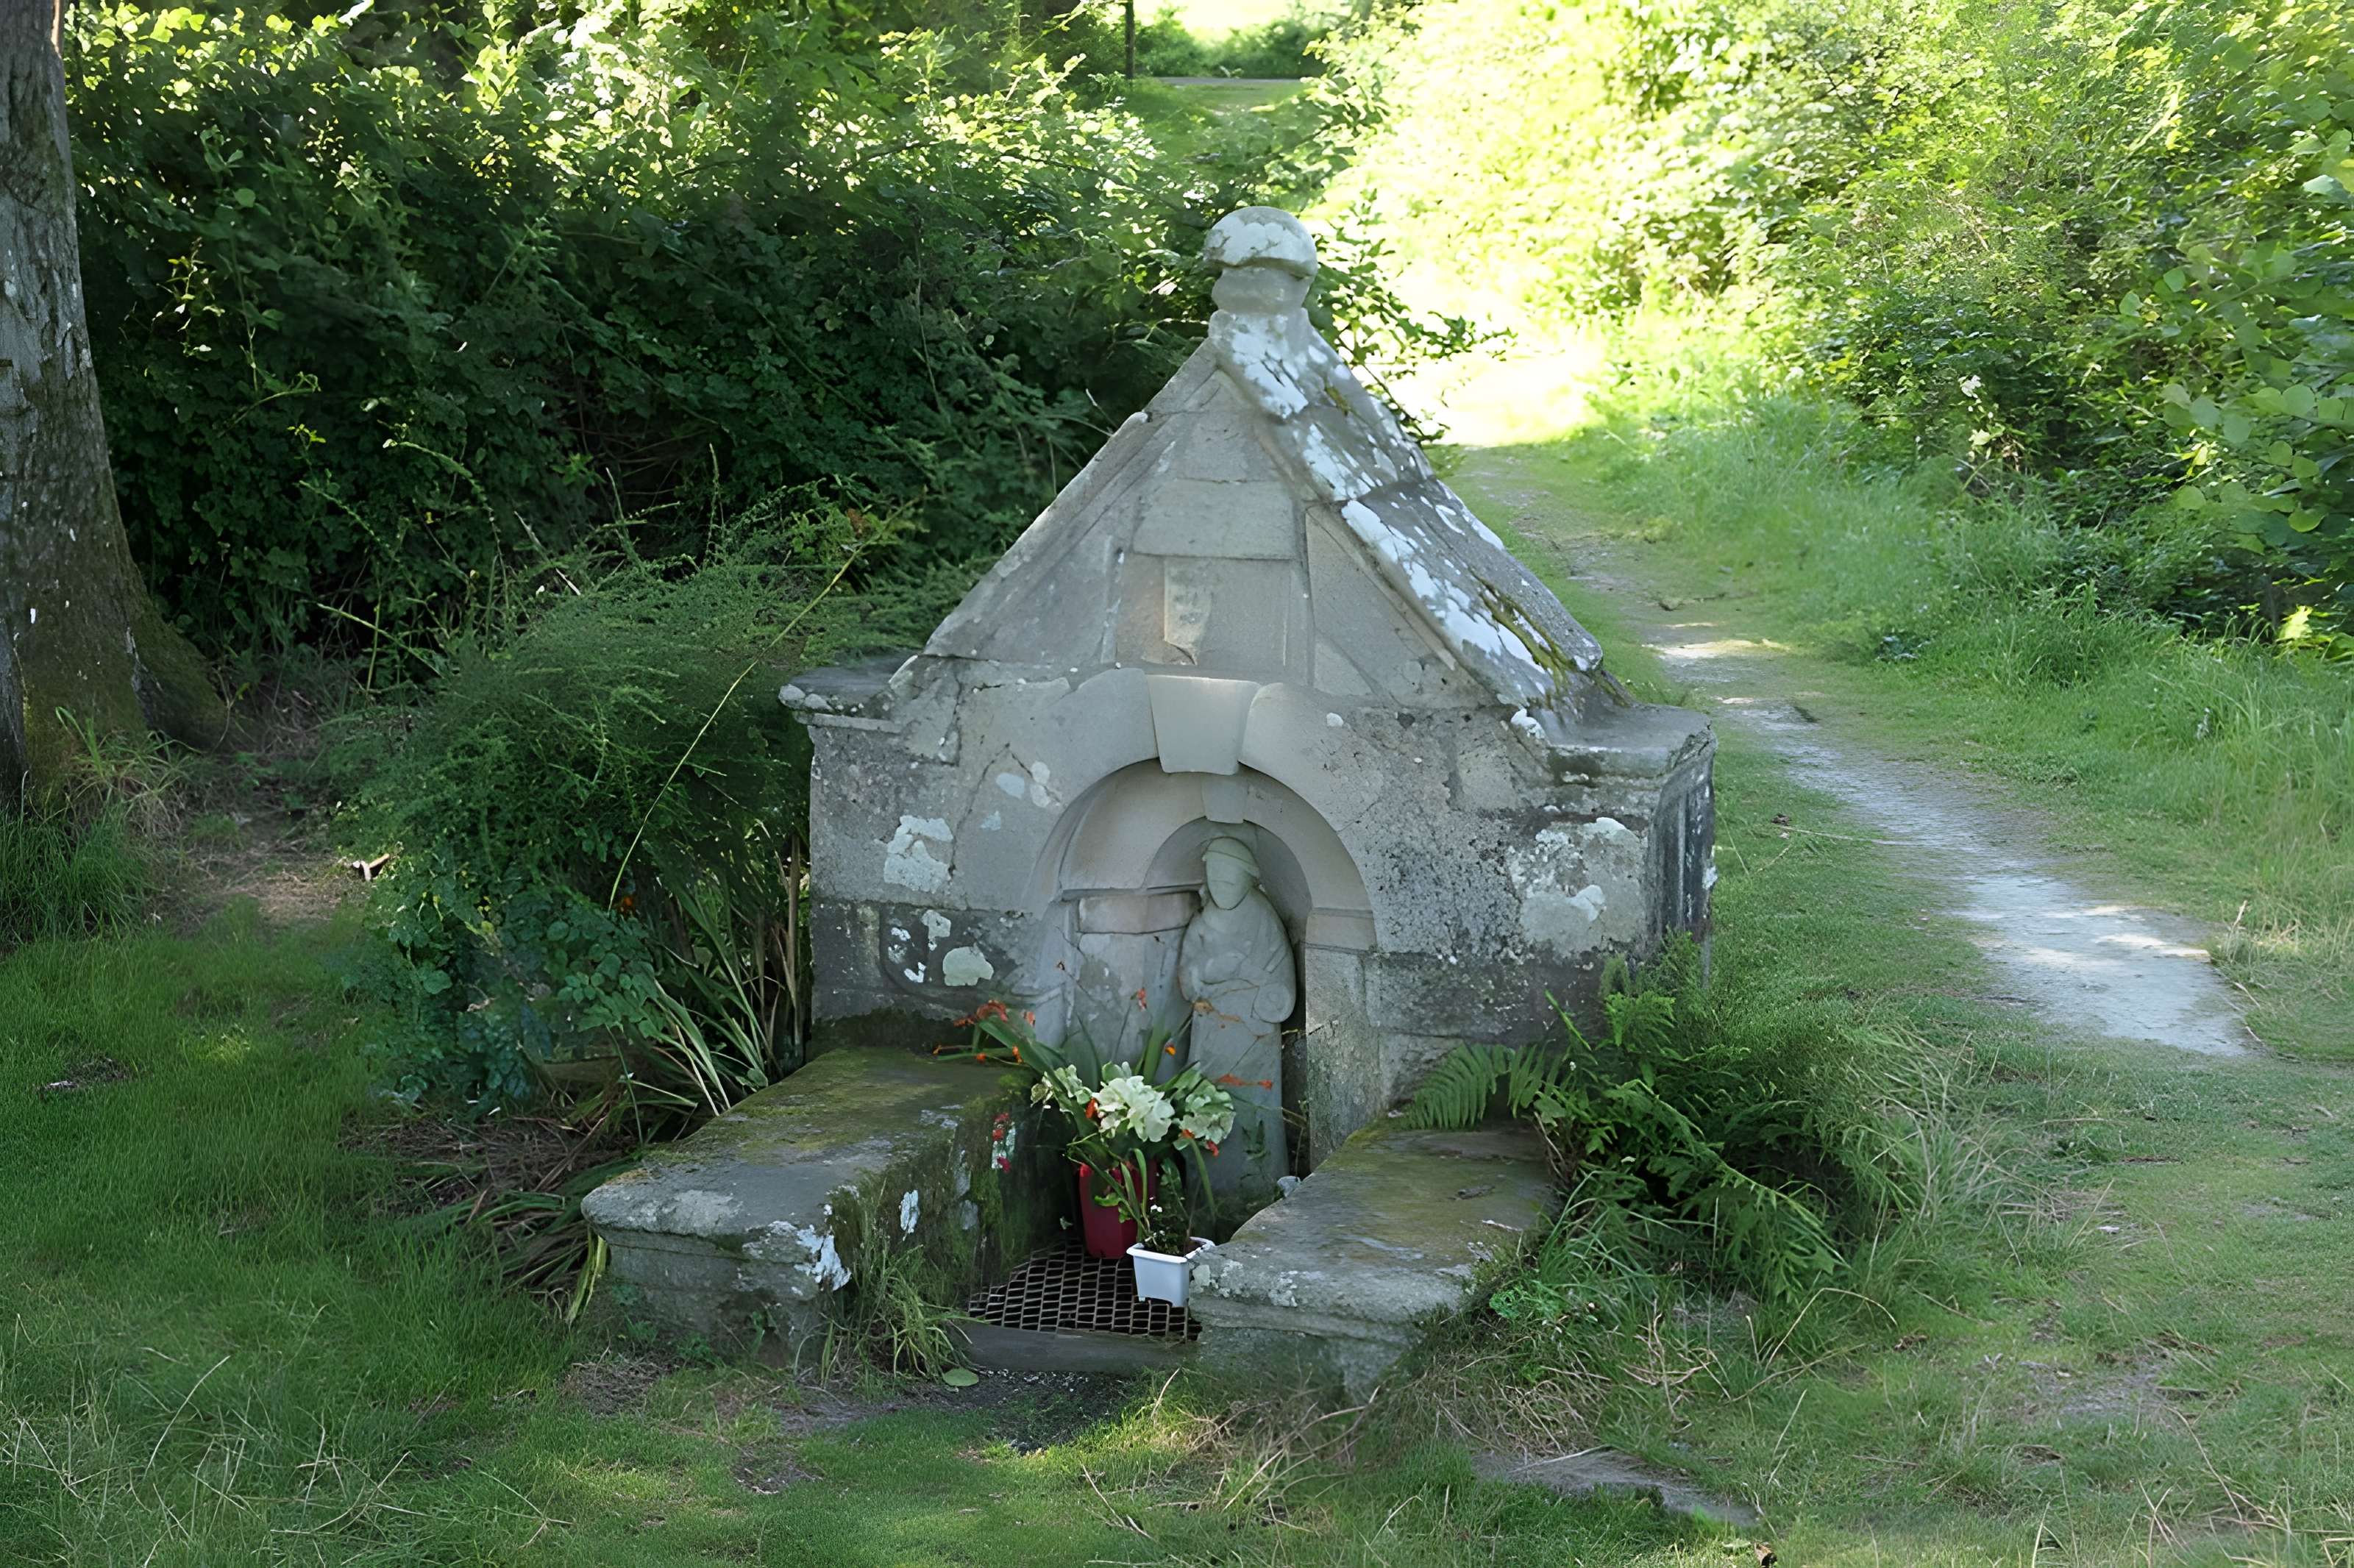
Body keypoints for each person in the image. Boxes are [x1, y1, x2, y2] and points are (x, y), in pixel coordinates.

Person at [1176, 836, 1297, 1197]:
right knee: (1208, 1105)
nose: (1222, 887)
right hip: (1210, 1033)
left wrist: (1250, 983)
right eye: (1216, 879)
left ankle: (1259, 1189)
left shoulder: (1264, 921)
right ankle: (1208, 1192)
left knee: (1254, 1109)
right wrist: (1212, 969)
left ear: (1248, 879)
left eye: (1230, 880)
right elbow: (1187, 981)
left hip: (1252, 1037)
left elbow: (1282, 992)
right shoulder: (1202, 923)